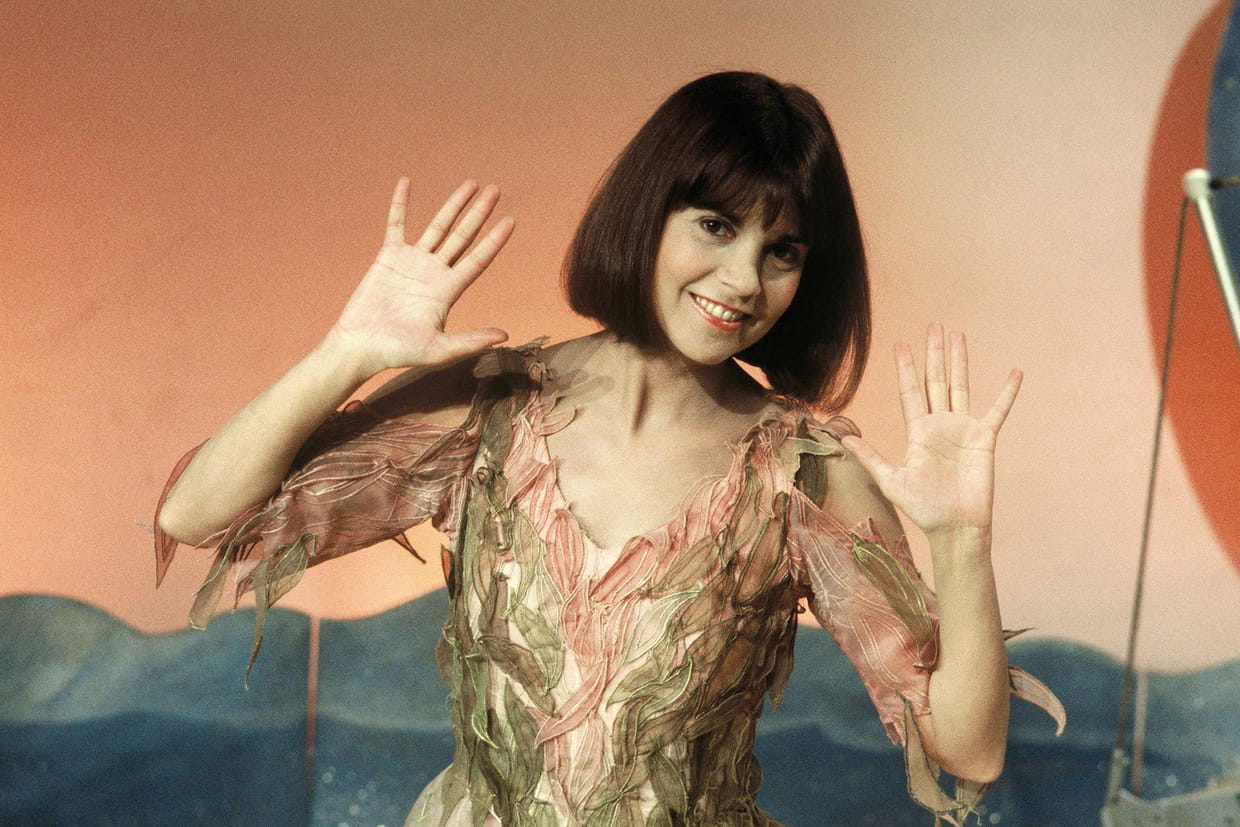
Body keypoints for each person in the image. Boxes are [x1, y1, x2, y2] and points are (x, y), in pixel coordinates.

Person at [154, 72, 1063, 826]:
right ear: (649, 213)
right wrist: (344, 354)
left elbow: (969, 748)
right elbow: (197, 514)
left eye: (782, 251)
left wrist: (962, 541)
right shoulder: (491, 407)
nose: (744, 280)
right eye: (716, 226)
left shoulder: (802, 470)